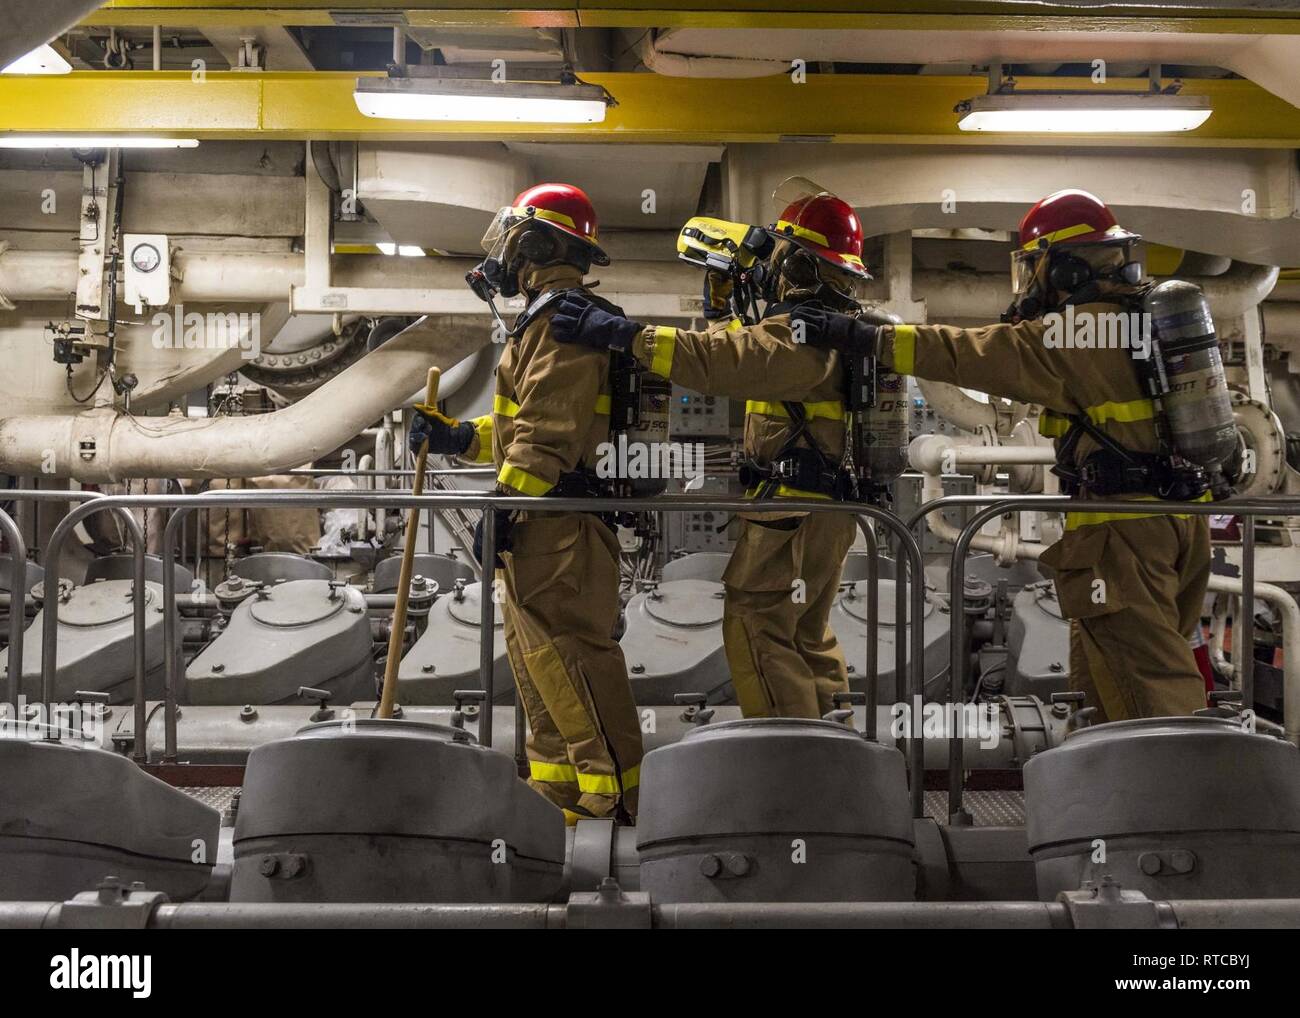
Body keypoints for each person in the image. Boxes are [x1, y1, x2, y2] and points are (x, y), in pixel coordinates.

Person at [791, 188, 1235, 722]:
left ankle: (1181, 798)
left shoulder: (1073, 334)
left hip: (1123, 536)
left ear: (1065, 269)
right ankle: (1105, 792)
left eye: (1036, 265)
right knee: (1105, 676)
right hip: (1184, 521)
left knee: (1151, 687)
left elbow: (962, 351)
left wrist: (857, 335)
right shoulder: (1148, 318)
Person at [548, 182, 886, 720]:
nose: (769, 267)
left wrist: (625, 334)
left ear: (799, 266)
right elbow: (752, 361)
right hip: (821, 512)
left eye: (779, 257)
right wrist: (725, 316)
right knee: (806, 636)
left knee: (759, 630)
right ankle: (834, 754)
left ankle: (790, 758)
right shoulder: (831, 332)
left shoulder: (804, 335)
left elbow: (725, 362)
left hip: (791, 516)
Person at [409, 183, 642, 823]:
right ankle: (561, 784)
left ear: (536, 242)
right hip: (543, 515)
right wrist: (461, 436)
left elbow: (549, 437)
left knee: (573, 656)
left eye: (512, 237)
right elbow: (522, 430)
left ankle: (617, 793)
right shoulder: (542, 320)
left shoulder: (565, 322)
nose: (503, 252)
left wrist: (507, 508)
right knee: (539, 660)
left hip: (559, 521)